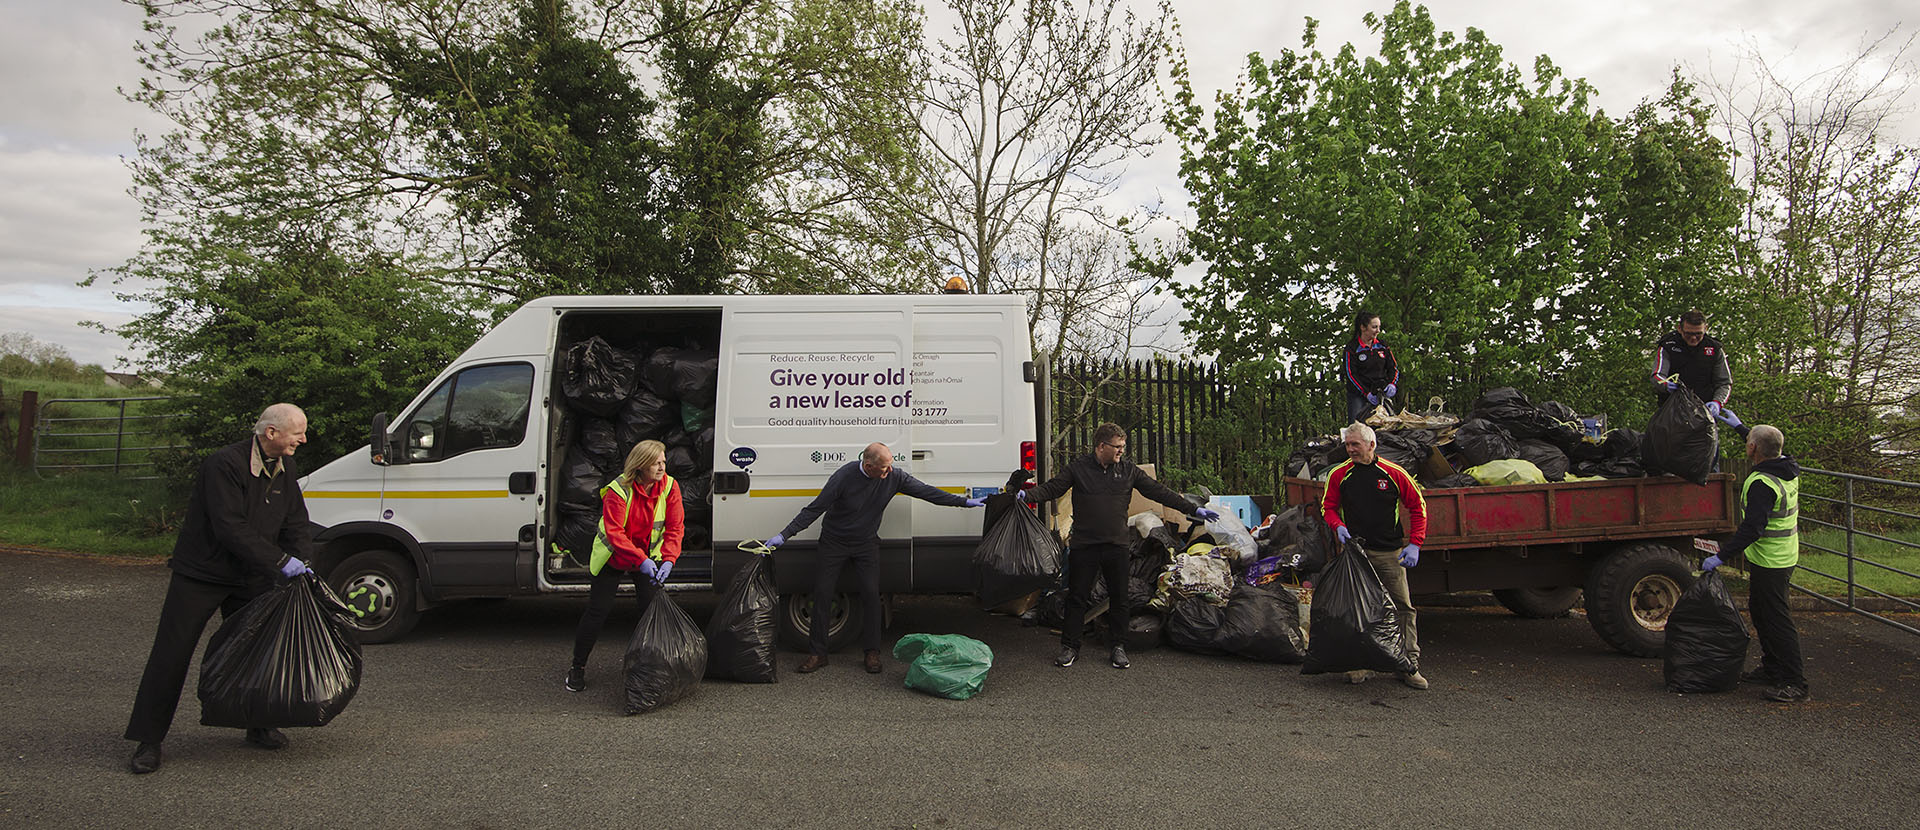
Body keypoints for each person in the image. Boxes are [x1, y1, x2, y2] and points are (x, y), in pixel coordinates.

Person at [124, 403, 316, 774]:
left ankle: (257, 725)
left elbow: (296, 521)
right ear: (271, 433)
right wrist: (280, 562)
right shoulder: (223, 465)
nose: (303, 439)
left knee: (256, 653)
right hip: (202, 574)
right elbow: (230, 526)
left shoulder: (285, 466)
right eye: (298, 432)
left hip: (251, 576)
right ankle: (148, 740)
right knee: (172, 654)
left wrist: (303, 561)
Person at [767, 443, 985, 673]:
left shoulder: (893, 476)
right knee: (822, 594)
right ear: (868, 465)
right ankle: (818, 654)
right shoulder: (844, 476)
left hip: (865, 543)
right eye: (884, 468)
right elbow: (814, 509)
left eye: (890, 466)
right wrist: (784, 534)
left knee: (871, 595)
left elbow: (927, 492)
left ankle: (871, 653)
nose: (889, 472)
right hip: (834, 542)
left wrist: (963, 502)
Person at [1018, 423, 1220, 670]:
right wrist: (1027, 496)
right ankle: (1070, 647)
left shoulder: (1128, 471)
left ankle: (1118, 647)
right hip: (1085, 545)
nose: (1121, 451)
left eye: (1123, 447)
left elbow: (1159, 492)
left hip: (1116, 545)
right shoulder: (1079, 469)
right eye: (1117, 446)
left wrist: (1192, 508)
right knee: (1077, 597)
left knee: (1119, 598)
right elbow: (1053, 487)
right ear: (1101, 446)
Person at [1701, 416, 1807, 703]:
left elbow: (1752, 529)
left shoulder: (1763, 483)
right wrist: (1739, 427)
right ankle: (1772, 668)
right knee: (1761, 613)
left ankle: (1795, 682)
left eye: (1749, 443)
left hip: (1772, 560)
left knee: (1777, 620)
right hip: (1783, 554)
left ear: (1752, 449)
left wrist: (1721, 557)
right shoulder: (1787, 467)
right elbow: (1767, 442)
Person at [564, 439, 683, 693]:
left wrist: (669, 558)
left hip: (647, 558)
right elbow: (615, 534)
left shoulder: (670, 487)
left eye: (664, 461)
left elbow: (675, 527)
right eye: (656, 463)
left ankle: (650, 668)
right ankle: (577, 667)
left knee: (650, 614)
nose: (662, 467)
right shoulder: (618, 491)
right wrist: (641, 561)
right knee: (597, 612)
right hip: (615, 557)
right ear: (641, 465)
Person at [1320, 422, 1430, 690]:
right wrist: (1338, 526)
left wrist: (1415, 544)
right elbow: (1328, 507)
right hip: (1356, 553)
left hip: (1389, 553)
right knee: (1358, 609)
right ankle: (1362, 662)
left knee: (1402, 607)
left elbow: (1418, 506)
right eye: (1347, 445)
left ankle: (1408, 664)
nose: (1350, 450)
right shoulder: (1339, 474)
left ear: (1371, 445)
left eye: (1355, 445)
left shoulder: (1393, 473)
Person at [1651, 310, 1732, 418]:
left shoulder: (1714, 348)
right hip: (1672, 412)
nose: (1693, 338)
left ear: (1705, 329)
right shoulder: (1668, 345)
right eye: (1688, 333)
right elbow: (1656, 376)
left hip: (1704, 412)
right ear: (1680, 329)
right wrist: (1665, 385)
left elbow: (1724, 382)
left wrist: (1717, 403)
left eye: (1698, 334)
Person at [1342, 311, 1400, 424]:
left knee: (1388, 424)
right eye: (1374, 327)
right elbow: (1350, 374)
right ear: (1363, 328)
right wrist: (1366, 393)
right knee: (1357, 426)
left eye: (1379, 327)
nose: (1378, 331)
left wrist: (1392, 384)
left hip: (1381, 392)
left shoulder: (1382, 345)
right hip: (1359, 394)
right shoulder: (1352, 348)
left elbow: (1393, 368)